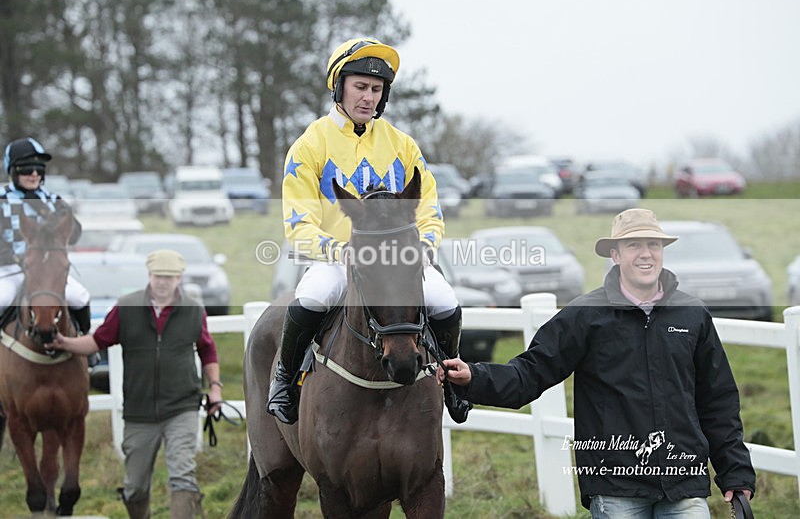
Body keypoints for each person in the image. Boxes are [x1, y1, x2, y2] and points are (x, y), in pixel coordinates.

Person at [439, 208, 755, 517]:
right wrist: (474, 378)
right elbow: (531, 372)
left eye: (653, 245)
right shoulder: (586, 315)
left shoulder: (692, 314)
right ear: (615, 255)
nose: (646, 254)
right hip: (616, 486)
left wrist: (736, 473)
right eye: (634, 245)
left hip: (683, 483)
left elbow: (718, 400)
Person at [267, 37, 469, 425]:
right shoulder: (309, 146)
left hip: (399, 262)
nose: (368, 97)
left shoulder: (402, 145)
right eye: (360, 87)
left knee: (444, 299)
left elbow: (429, 208)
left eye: (376, 90)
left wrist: (425, 245)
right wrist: (339, 251)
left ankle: (452, 382)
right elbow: (298, 224)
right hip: (337, 260)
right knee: (311, 296)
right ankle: (283, 378)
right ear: (339, 87)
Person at [45, 249, 222, 519]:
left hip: (182, 407)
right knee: (135, 487)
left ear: (179, 278)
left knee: (183, 477)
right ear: (149, 276)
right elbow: (97, 341)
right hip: (139, 412)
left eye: (169, 277)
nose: (162, 282)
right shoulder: (126, 307)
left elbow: (207, 350)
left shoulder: (194, 311)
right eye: (157, 276)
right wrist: (64, 343)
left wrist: (215, 388)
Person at [0, 137, 91, 334]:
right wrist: (16, 258)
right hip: (9, 268)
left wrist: (59, 218)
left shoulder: (53, 199)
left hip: (48, 270)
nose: (34, 174)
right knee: (3, 298)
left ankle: (85, 343)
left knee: (80, 297)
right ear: (13, 171)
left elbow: (74, 235)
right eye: (26, 169)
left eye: (39, 169)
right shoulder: (2, 199)